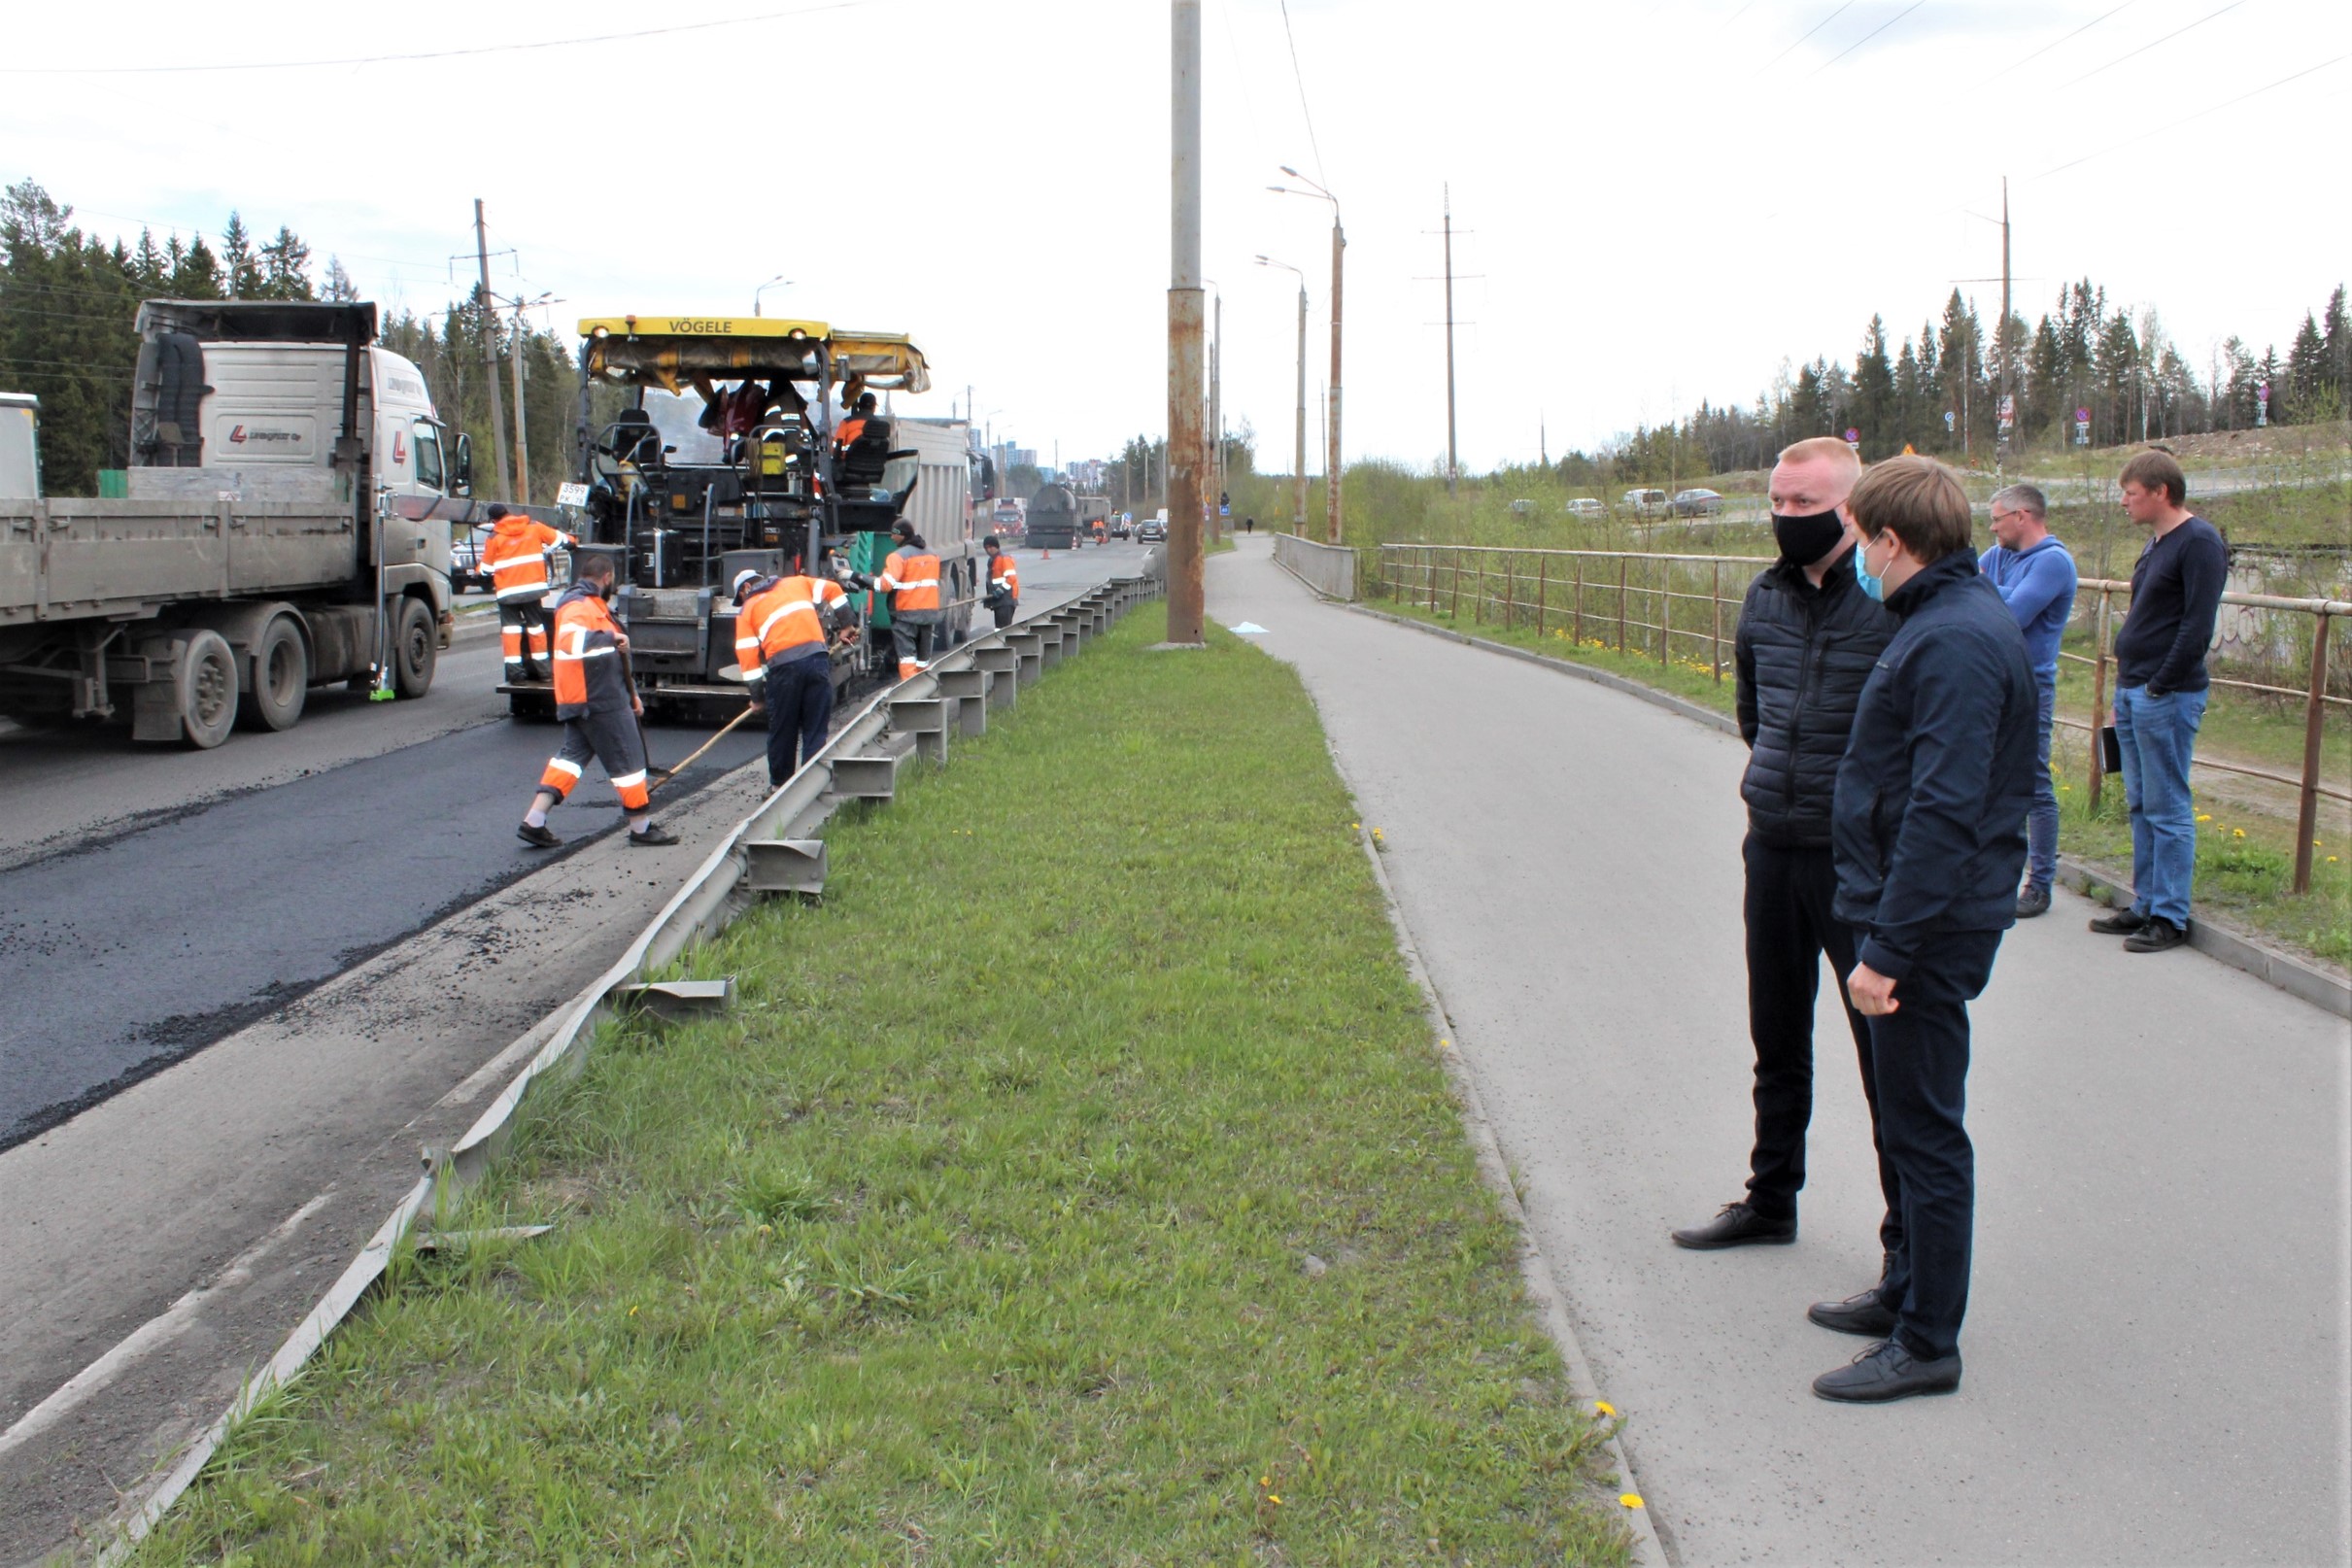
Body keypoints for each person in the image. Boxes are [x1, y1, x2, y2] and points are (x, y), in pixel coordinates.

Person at [1811, 455, 2033, 1403]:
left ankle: (1928, 1342)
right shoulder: (1942, 620)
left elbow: (1944, 809)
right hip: (1905, 916)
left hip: (1923, 934)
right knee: (1904, 1124)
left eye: (1862, 540)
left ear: (1891, 541)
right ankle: (1905, 1291)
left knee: (1927, 1134)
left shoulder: (1951, 640)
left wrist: (1888, 951)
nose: (1857, 556)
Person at [1674, 436, 1899, 1260]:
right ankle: (1771, 1198)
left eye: (1803, 503)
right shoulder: (1762, 599)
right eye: (1776, 501)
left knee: (1884, 1057)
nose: (1784, 516)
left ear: (1849, 508)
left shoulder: (1886, 602)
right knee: (1776, 1036)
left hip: (1856, 863)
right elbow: (1752, 713)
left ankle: (1904, 1238)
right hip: (1771, 845)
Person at [2092, 450, 2227, 954]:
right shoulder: (2156, 544)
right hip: (2135, 691)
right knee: (2140, 802)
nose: (2124, 502)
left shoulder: (2200, 542)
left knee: (2168, 806)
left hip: (2165, 695)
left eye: (2130, 493)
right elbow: (2146, 619)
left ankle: (2170, 916)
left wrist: (2158, 685)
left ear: (2160, 492)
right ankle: (2146, 902)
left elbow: (2196, 626)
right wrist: (2124, 691)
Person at [517, 553, 677, 848]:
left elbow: (610, 662)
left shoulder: (591, 605)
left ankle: (534, 821)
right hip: (597, 701)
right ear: (607, 577)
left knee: (569, 760)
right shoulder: (579, 606)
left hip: (587, 699)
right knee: (628, 761)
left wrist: (632, 697)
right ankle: (640, 827)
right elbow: (569, 642)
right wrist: (610, 638)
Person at [1980, 484, 2078, 917]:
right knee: (1987, 776)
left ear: (2022, 516)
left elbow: (2014, 616)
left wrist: (1987, 594)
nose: (1992, 528)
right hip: (1990, 678)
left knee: (2034, 784)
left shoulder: (2053, 561)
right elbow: (1965, 590)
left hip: (2031, 685)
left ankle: (2039, 884)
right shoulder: (1997, 554)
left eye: (1997, 519)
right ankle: (1992, 873)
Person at [733, 564, 851, 788]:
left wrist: (757, 698)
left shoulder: (747, 610)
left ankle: (780, 786)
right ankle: (811, 785)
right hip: (817, 660)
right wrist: (847, 625)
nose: (742, 601)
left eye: (741, 596)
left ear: (746, 587)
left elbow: (749, 663)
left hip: (784, 670)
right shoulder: (797, 583)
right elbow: (834, 589)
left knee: (783, 729)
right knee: (815, 728)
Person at [479, 503, 576, 683]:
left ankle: (516, 675)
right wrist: (573, 541)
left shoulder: (494, 537)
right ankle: (545, 673)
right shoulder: (533, 527)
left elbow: (486, 569)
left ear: (494, 521)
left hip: (508, 594)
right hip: (532, 591)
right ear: (509, 513)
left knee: (511, 632)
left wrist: (480, 570)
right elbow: (560, 539)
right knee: (536, 629)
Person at [875, 520, 943, 679]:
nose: (891, 537)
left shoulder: (897, 557)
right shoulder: (933, 555)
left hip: (906, 614)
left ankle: (910, 697)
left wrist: (857, 577)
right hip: (928, 615)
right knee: (922, 660)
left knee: (907, 659)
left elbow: (886, 585)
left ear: (902, 535)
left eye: (894, 534)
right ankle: (923, 689)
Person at [983, 534, 1019, 629]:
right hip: (999, 600)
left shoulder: (1004, 559)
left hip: (1007, 599)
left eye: (990, 547)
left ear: (996, 546)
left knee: (1004, 630)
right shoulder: (992, 560)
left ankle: (1005, 643)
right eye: (986, 548)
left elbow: (1011, 578)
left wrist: (1000, 590)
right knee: (999, 629)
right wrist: (989, 598)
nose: (988, 550)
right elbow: (992, 581)